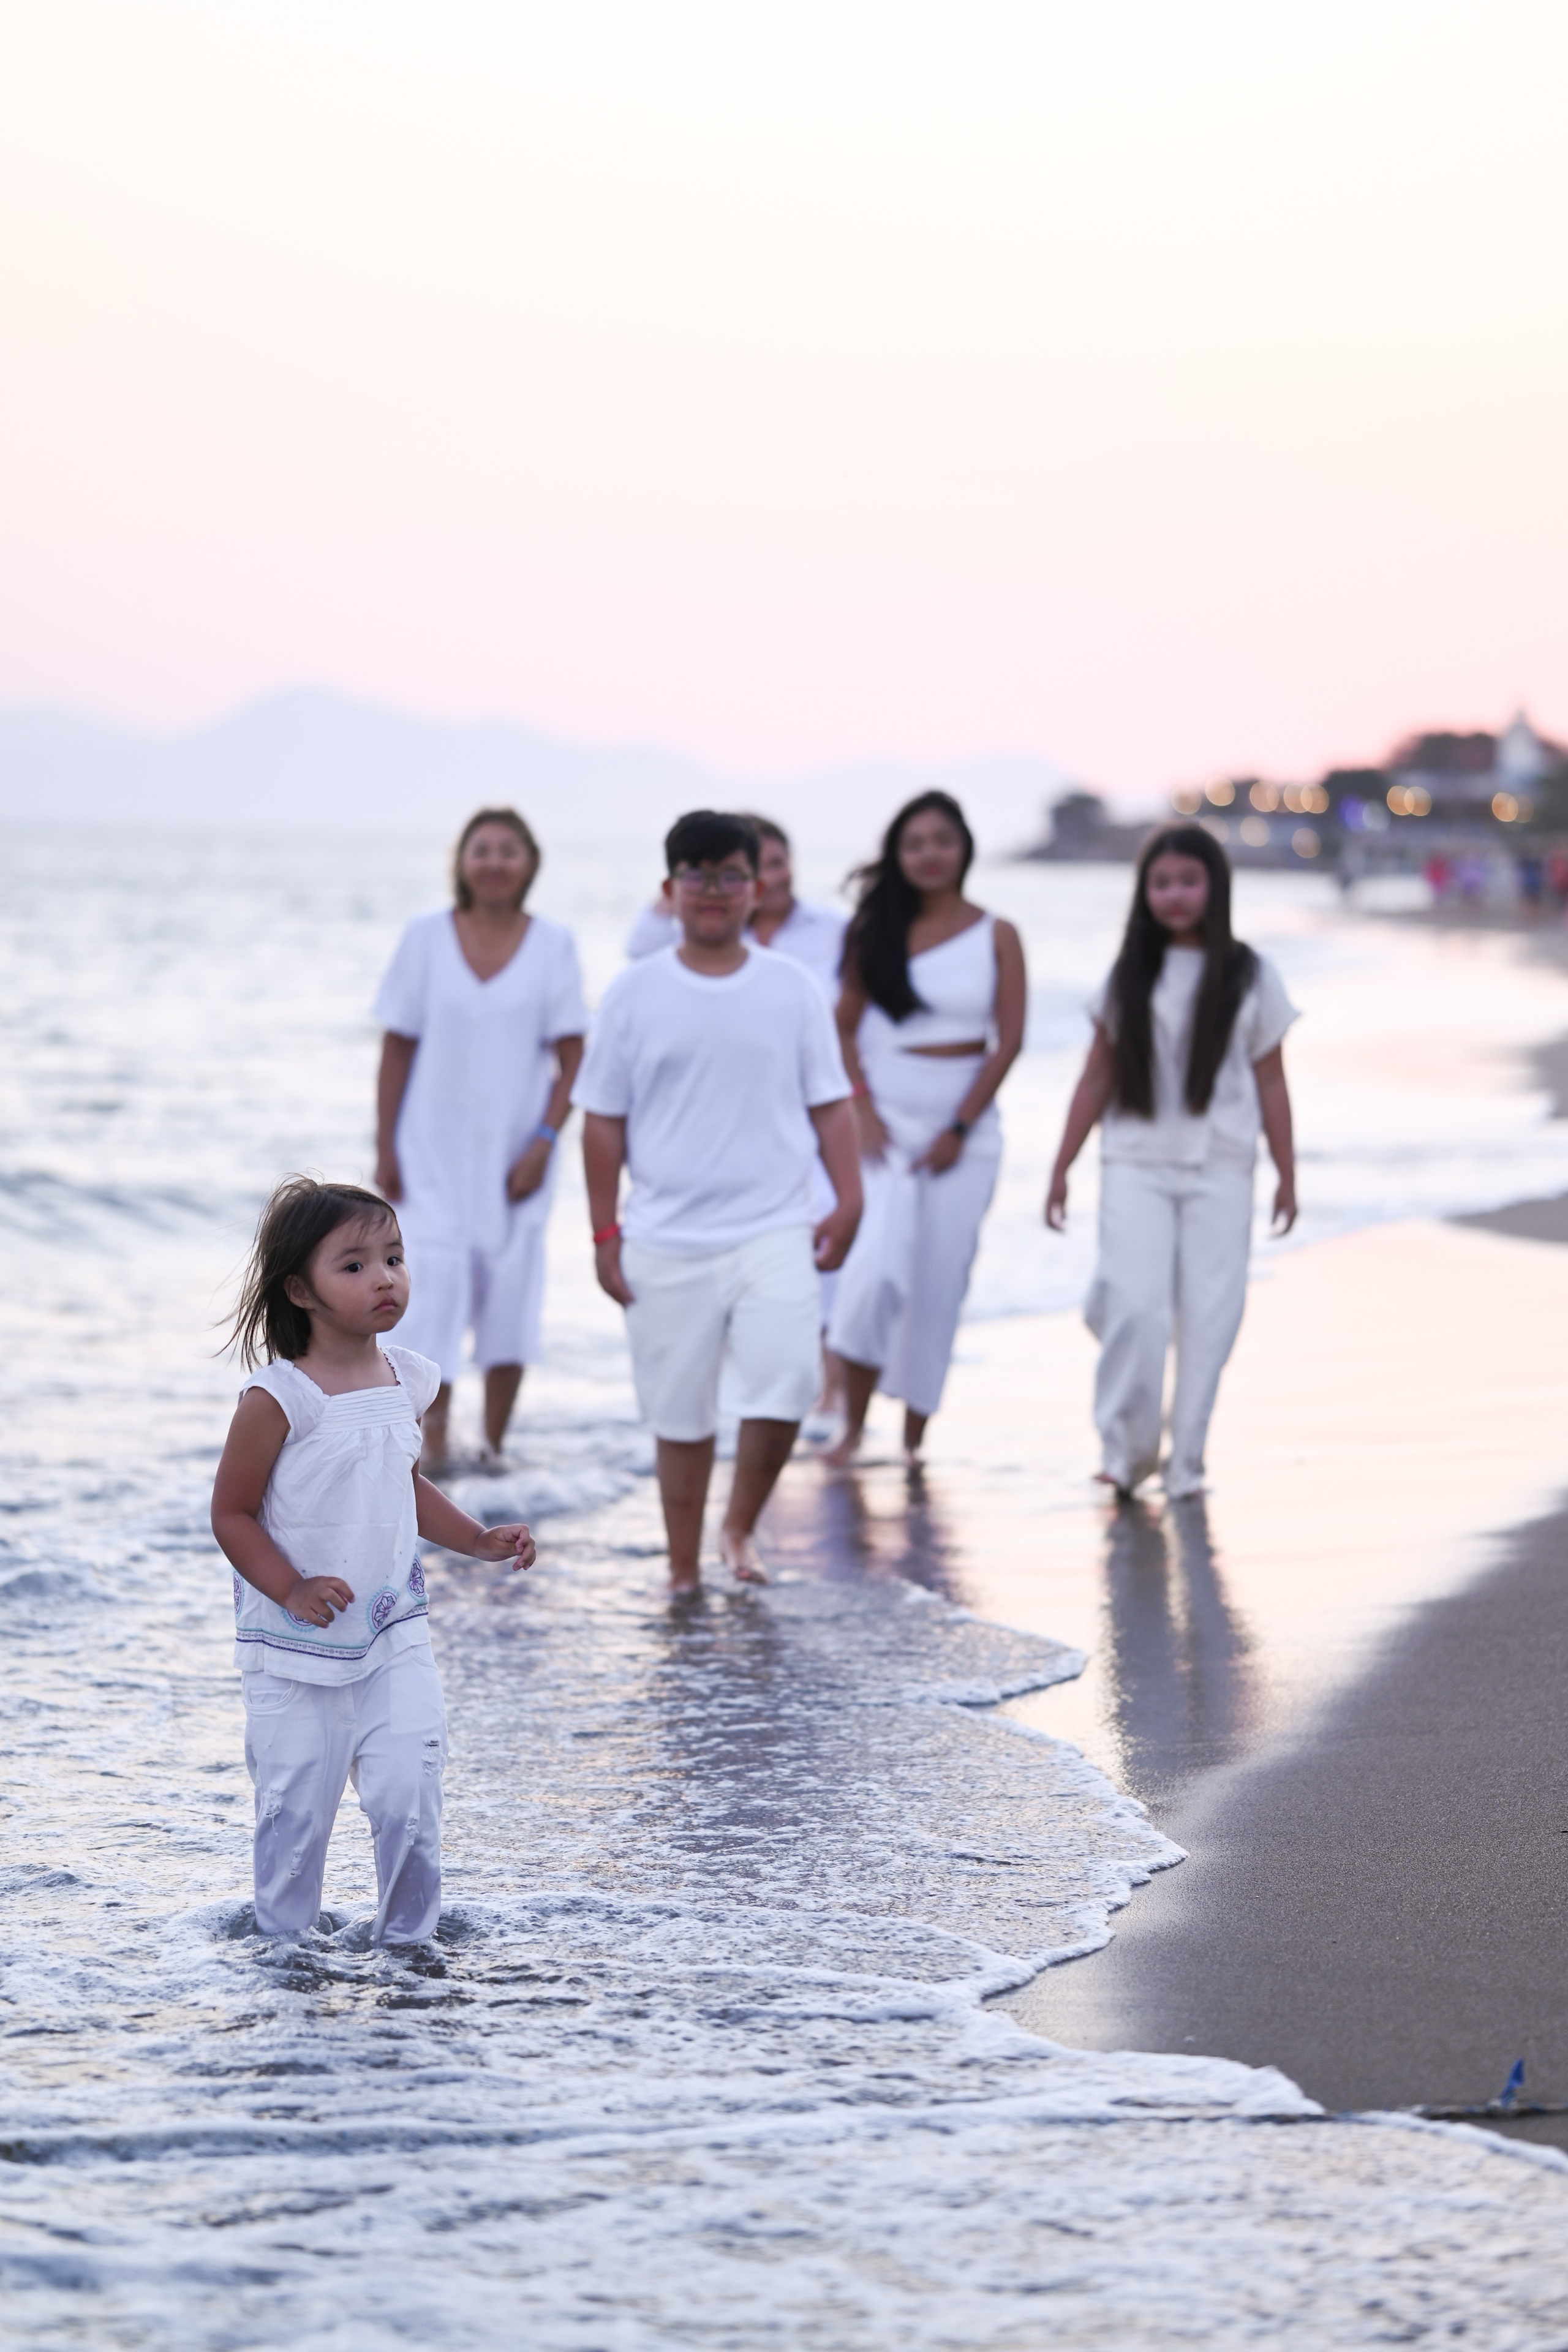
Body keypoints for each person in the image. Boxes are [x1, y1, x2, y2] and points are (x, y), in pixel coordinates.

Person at [210, 1177, 534, 1942]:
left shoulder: (409, 1378)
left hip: (394, 1634)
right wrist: (288, 1586)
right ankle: (285, 1960)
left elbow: (403, 1483)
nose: (385, 1277)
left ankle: (409, 1947)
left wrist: (477, 1538)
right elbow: (231, 1512)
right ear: (301, 1290)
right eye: (353, 1266)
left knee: (409, 1795)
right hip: (295, 1653)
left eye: (393, 1257)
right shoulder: (280, 1398)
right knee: (294, 1822)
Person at [575, 810, 862, 1593]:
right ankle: (680, 1568)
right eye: (696, 875)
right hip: (665, 1233)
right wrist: (605, 1231)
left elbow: (831, 1103)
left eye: (730, 874)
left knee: (789, 1379)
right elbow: (601, 1122)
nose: (714, 889)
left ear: (757, 887)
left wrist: (849, 1198)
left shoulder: (792, 987)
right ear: (669, 891)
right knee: (680, 1411)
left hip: (773, 1225)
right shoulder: (634, 992)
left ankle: (738, 1528)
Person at [1045, 825, 1298, 1501]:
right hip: (1135, 1161)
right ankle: (1126, 1454)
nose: (1175, 895)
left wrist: (1287, 1172)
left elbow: (1270, 1080)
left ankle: (1186, 1462)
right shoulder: (1128, 974)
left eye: (1189, 881)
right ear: (1144, 892)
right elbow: (1096, 1076)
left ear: (1215, 887)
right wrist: (1061, 1164)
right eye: (1161, 883)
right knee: (1134, 1309)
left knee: (1210, 1315)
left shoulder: (1250, 973)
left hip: (1222, 1166)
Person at [374, 807, 587, 1471]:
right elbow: (398, 1047)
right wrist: (386, 1146)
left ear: (530, 864)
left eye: (508, 851)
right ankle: (432, 1445)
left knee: (510, 1292)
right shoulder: (425, 938)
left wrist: (545, 1141)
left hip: (517, 1157)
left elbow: (576, 1058)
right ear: (462, 862)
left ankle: (494, 1447)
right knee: (428, 1292)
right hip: (429, 1151)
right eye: (482, 850)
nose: (494, 862)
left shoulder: (554, 944)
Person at [823, 790, 1025, 1465]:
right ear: (896, 855)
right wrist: (864, 1112)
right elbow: (842, 1029)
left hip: (962, 1132)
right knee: (873, 1275)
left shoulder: (997, 932)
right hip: (883, 1124)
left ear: (964, 846)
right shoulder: (873, 930)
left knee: (939, 1282)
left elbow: (1008, 1042)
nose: (930, 854)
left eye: (942, 840)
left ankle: (912, 1442)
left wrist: (959, 1129)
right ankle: (851, 1430)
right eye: (914, 844)